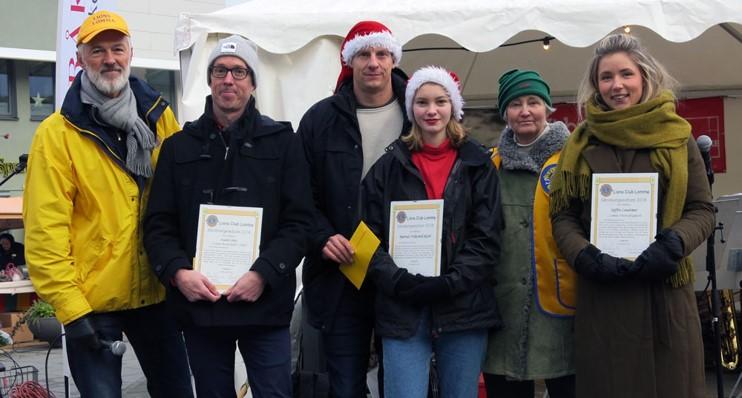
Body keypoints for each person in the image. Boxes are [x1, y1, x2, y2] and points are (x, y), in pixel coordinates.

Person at [22, 10, 193, 398]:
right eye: (97, 51)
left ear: (130, 53)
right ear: (80, 59)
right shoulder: (57, 134)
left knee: (179, 391)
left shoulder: (159, 118)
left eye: (117, 48)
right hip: (93, 304)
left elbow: (186, 195)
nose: (110, 59)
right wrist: (72, 310)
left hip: (157, 292)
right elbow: (45, 232)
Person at [143, 35, 313, 398]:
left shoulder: (283, 142)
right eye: (220, 71)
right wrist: (177, 273)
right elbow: (158, 224)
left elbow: (299, 223)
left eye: (239, 72)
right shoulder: (178, 147)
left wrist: (262, 274)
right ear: (210, 80)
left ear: (252, 83)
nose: (228, 80)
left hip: (264, 306)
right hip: (200, 308)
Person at [549, 33, 714, 398]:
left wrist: (674, 243)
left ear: (644, 77)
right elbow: (562, 215)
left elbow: (701, 209)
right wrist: (584, 256)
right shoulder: (579, 144)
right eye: (606, 77)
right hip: (604, 299)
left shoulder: (677, 137)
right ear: (596, 84)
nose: (616, 85)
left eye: (626, 74)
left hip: (664, 296)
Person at [362, 66, 502, 397]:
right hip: (403, 308)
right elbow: (366, 235)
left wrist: (453, 281)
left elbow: (488, 236)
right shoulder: (389, 165)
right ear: (411, 109)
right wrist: (397, 280)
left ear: (453, 107)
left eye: (440, 101)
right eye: (422, 102)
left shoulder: (478, 164)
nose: (431, 110)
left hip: (464, 306)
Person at [297, 20, 410, 396]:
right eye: (364, 54)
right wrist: (321, 237)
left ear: (393, 59)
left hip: (403, 268)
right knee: (345, 385)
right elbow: (298, 194)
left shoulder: (419, 111)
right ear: (350, 61)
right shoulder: (319, 118)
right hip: (339, 272)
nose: (373, 62)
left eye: (381, 53)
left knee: (405, 383)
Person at [482, 69, 575, 398]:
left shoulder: (573, 160)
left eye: (533, 102)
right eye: (515, 103)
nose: (525, 110)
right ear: (505, 113)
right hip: (503, 307)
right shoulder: (490, 165)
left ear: (548, 108)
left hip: (562, 303)